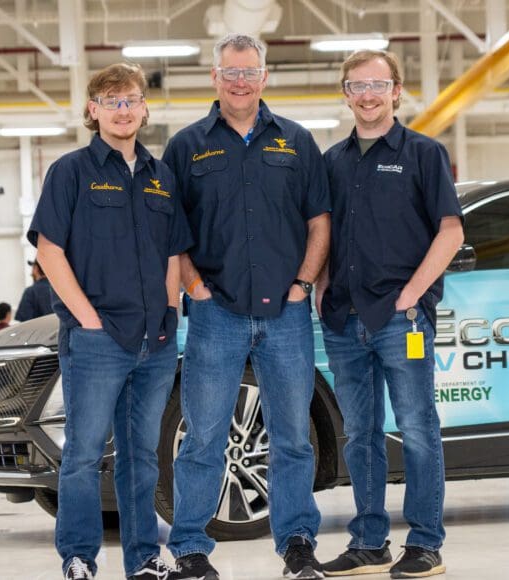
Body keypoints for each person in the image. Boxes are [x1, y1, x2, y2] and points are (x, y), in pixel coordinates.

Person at [164, 33, 330, 580]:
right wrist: (193, 284)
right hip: (217, 313)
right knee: (204, 435)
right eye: (230, 72)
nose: (240, 81)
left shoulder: (297, 142)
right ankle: (189, 545)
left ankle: (298, 543)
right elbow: (171, 228)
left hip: (286, 313)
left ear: (264, 76)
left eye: (249, 72)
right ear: (214, 77)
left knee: (292, 436)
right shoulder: (187, 146)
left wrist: (303, 283)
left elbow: (318, 222)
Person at [28, 62, 192, 580]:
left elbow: (172, 255)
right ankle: (78, 556)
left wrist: (170, 313)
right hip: (97, 340)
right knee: (81, 454)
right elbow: (50, 252)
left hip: (156, 339)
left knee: (141, 457)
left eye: (132, 101)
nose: (124, 111)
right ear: (93, 110)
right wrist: (87, 319)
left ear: (144, 109)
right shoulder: (70, 172)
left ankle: (143, 558)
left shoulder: (162, 176)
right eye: (112, 101)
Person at [315, 50, 464, 579]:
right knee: (361, 435)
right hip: (343, 321)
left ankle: (424, 543)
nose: (368, 94)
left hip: (403, 320)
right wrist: (322, 285)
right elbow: (325, 232)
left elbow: (451, 231)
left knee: (419, 428)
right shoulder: (331, 161)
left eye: (378, 83)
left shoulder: (424, 154)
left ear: (396, 90)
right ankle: (369, 542)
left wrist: (411, 296)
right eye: (357, 85)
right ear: (346, 93)